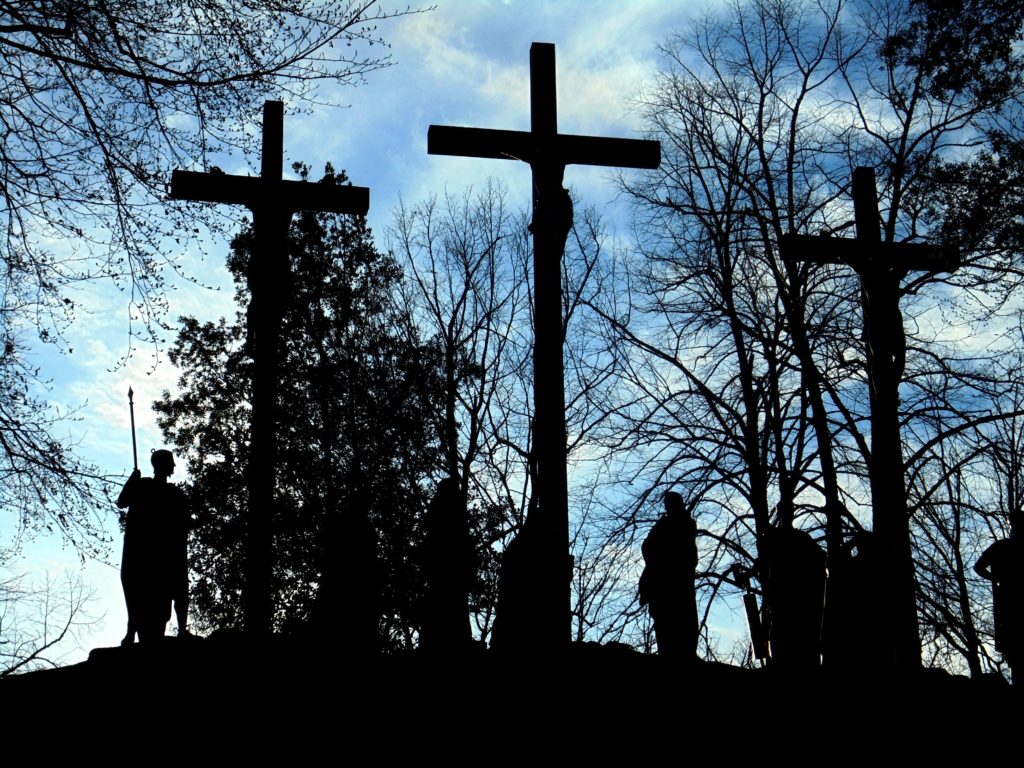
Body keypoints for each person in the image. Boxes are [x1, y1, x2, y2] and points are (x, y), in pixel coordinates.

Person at [117, 449, 189, 644]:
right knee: (137, 592)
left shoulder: (174, 493)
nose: (173, 466)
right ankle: (131, 631)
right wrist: (131, 481)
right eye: (171, 462)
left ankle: (182, 629)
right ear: (163, 465)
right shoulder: (142, 486)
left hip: (165, 554)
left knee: (175, 590)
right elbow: (122, 502)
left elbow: (184, 521)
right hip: (143, 553)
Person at [757, 504, 827, 669]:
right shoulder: (777, 537)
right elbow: (762, 563)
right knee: (781, 630)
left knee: (790, 630)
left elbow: (820, 560)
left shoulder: (796, 539)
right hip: (782, 595)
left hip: (795, 596)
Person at [638, 492, 698, 659]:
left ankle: (684, 653)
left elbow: (686, 552)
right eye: (666, 503)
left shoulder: (684, 523)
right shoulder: (662, 525)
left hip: (677, 580)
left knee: (682, 617)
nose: (666, 506)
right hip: (661, 581)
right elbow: (647, 546)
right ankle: (669, 652)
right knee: (664, 619)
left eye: (669, 502)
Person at [975, 512, 1022, 681]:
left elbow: (978, 567)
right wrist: (997, 579)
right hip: (1009, 609)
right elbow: (978, 567)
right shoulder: (1001, 547)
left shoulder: (1001, 547)